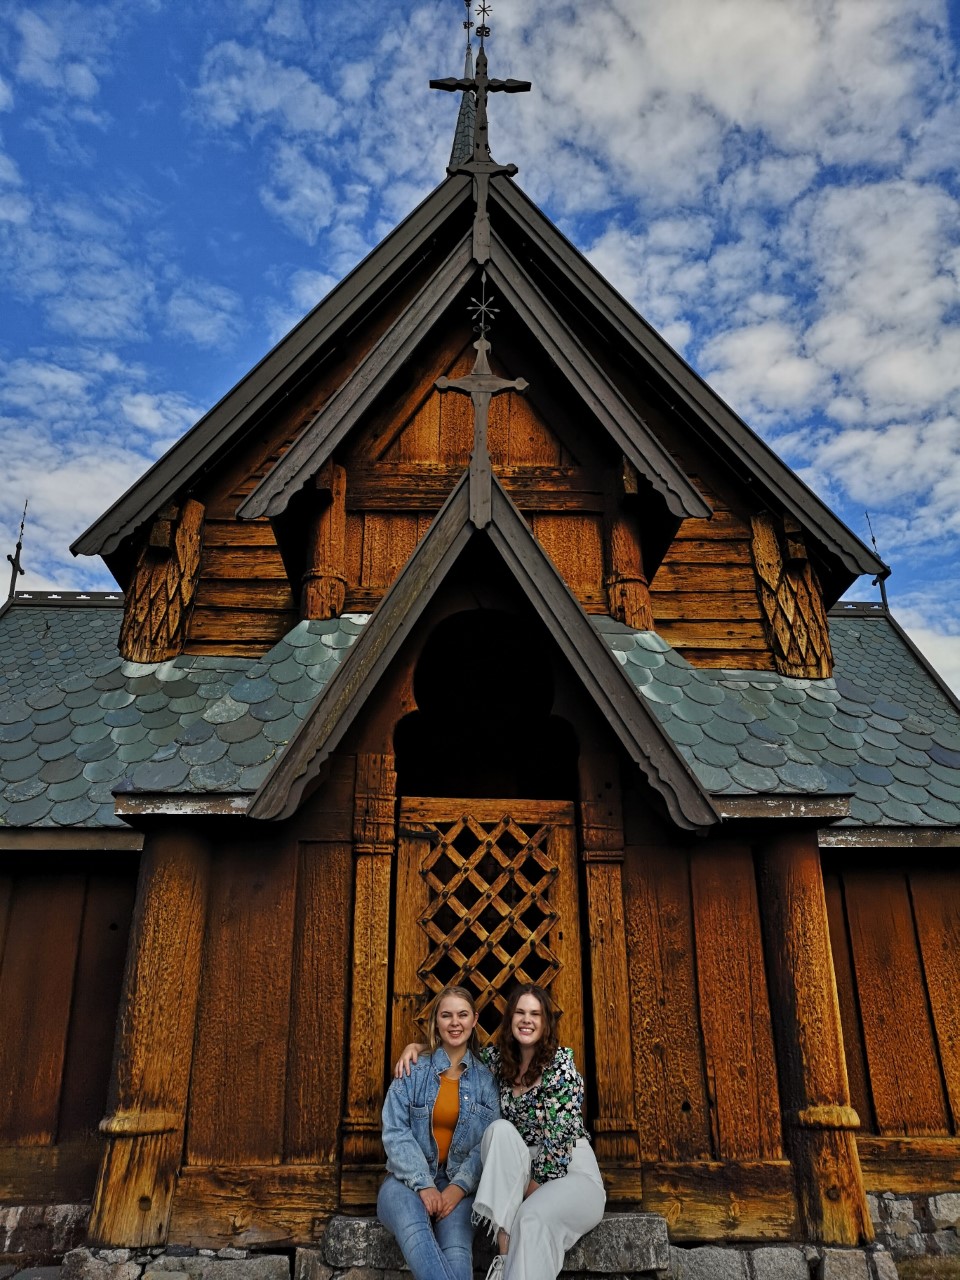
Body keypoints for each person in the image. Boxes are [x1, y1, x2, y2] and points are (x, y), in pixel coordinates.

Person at [395, 983, 606, 1280]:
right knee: (499, 1129)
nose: (527, 1020)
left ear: (545, 1022)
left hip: (568, 1170)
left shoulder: (560, 1065)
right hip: (517, 1170)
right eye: (519, 1012)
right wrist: (418, 1048)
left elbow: (560, 1141)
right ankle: (505, 1256)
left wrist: (524, 1198)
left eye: (535, 1013)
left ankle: (505, 1263)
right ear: (509, 1020)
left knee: (531, 1218)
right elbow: (456, 1052)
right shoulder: (496, 1061)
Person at [378, 985, 500, 1280]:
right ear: (436, 1022)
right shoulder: (413, 1070)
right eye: (446, 1015)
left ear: (474, 1020)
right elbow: (395, 1131)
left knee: (457, 1249)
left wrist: (458, 1188)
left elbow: (488, 1143)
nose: (454, 1023)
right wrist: (423, 1184)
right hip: (403, 1181)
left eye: (462, 1015)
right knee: (416, 1233)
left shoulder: (488, 1080)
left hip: (460, 1184)